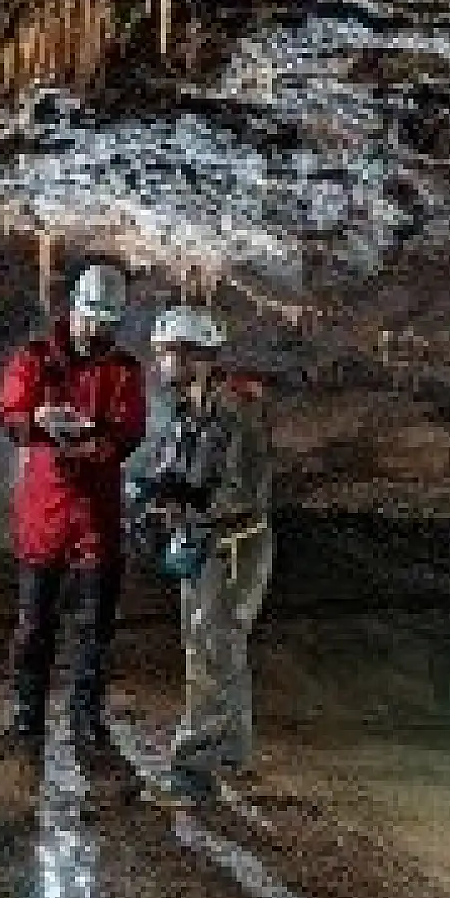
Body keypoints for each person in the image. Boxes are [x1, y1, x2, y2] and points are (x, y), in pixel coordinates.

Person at [0, 262, 147, 773]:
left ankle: (86, 715)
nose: (95, 330)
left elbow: (128, 432)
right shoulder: (35, 359)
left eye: (106, 323)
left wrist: (92, 445)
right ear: (73, 310)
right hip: (45, 513)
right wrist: (37, 419)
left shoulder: (124, 370)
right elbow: (11, 411)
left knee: (95, 627)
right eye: (89, 319)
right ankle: (27, 715)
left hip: (96, 517)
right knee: (35, 624)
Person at [131, 306, 274, 804]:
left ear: (196, 355)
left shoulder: (238, 410)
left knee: (211, 647)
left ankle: (194, 774)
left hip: (234, 545)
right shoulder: (190, 407)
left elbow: (244, 492)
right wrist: (155, 488)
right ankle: (231, 753)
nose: (161, 363)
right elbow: (182, 468)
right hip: (208, 541)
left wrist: (187, 511)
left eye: (167, 353)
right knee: (218, 645)